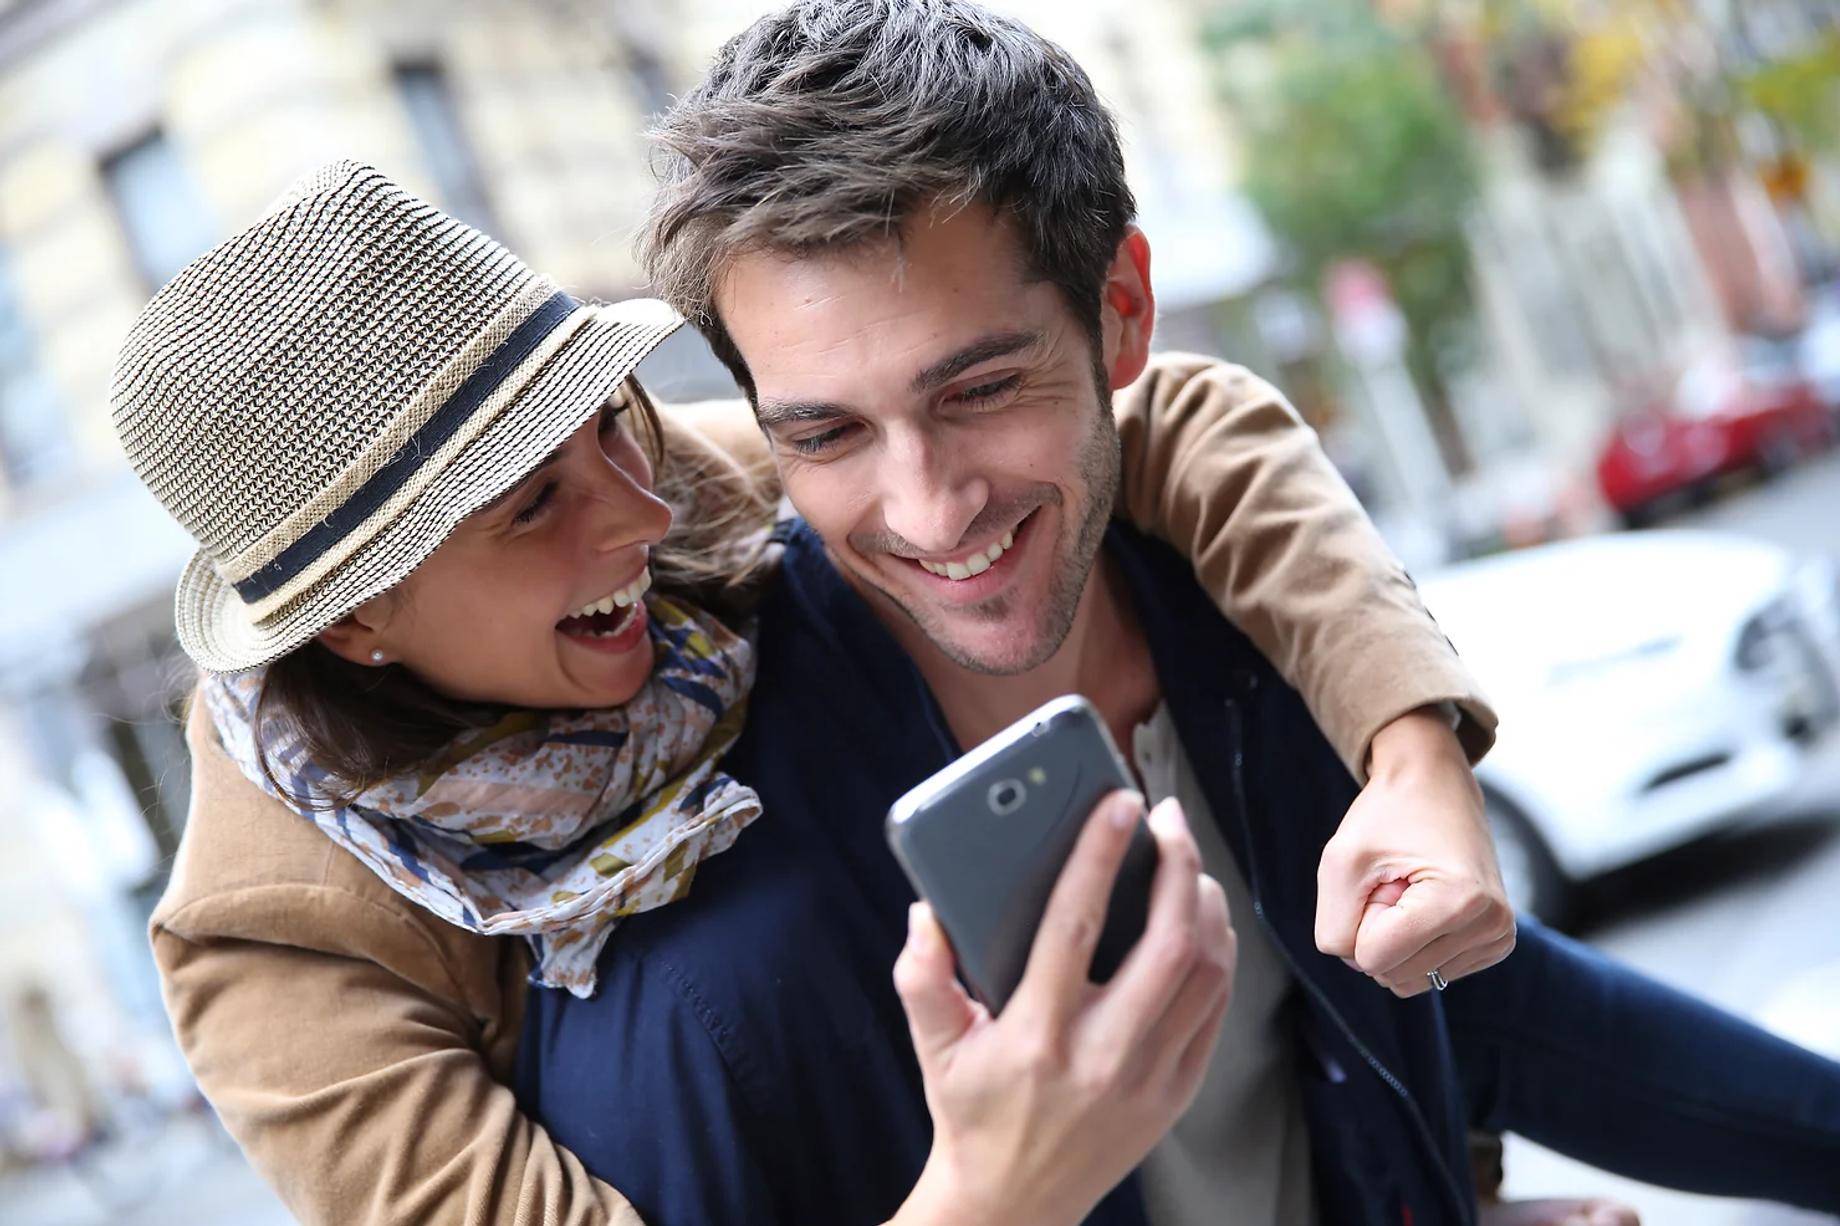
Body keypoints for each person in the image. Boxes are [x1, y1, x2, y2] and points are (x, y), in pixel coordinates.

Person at [512, 3, 1840, 1224]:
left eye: (978, 390)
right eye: (828, 432)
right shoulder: (693, 920)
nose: (928, 507)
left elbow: (1479, 1022)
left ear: (1124, 312)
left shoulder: (1246, 624)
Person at [134, 161, 1497, 1224]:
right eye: (532, 503)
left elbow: (1175, 423)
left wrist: (1413, 755)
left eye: (609, 414)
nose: (639, 508)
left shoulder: (660, 489)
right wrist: (1001, 1191)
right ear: (361, 618)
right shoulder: (276, 942)